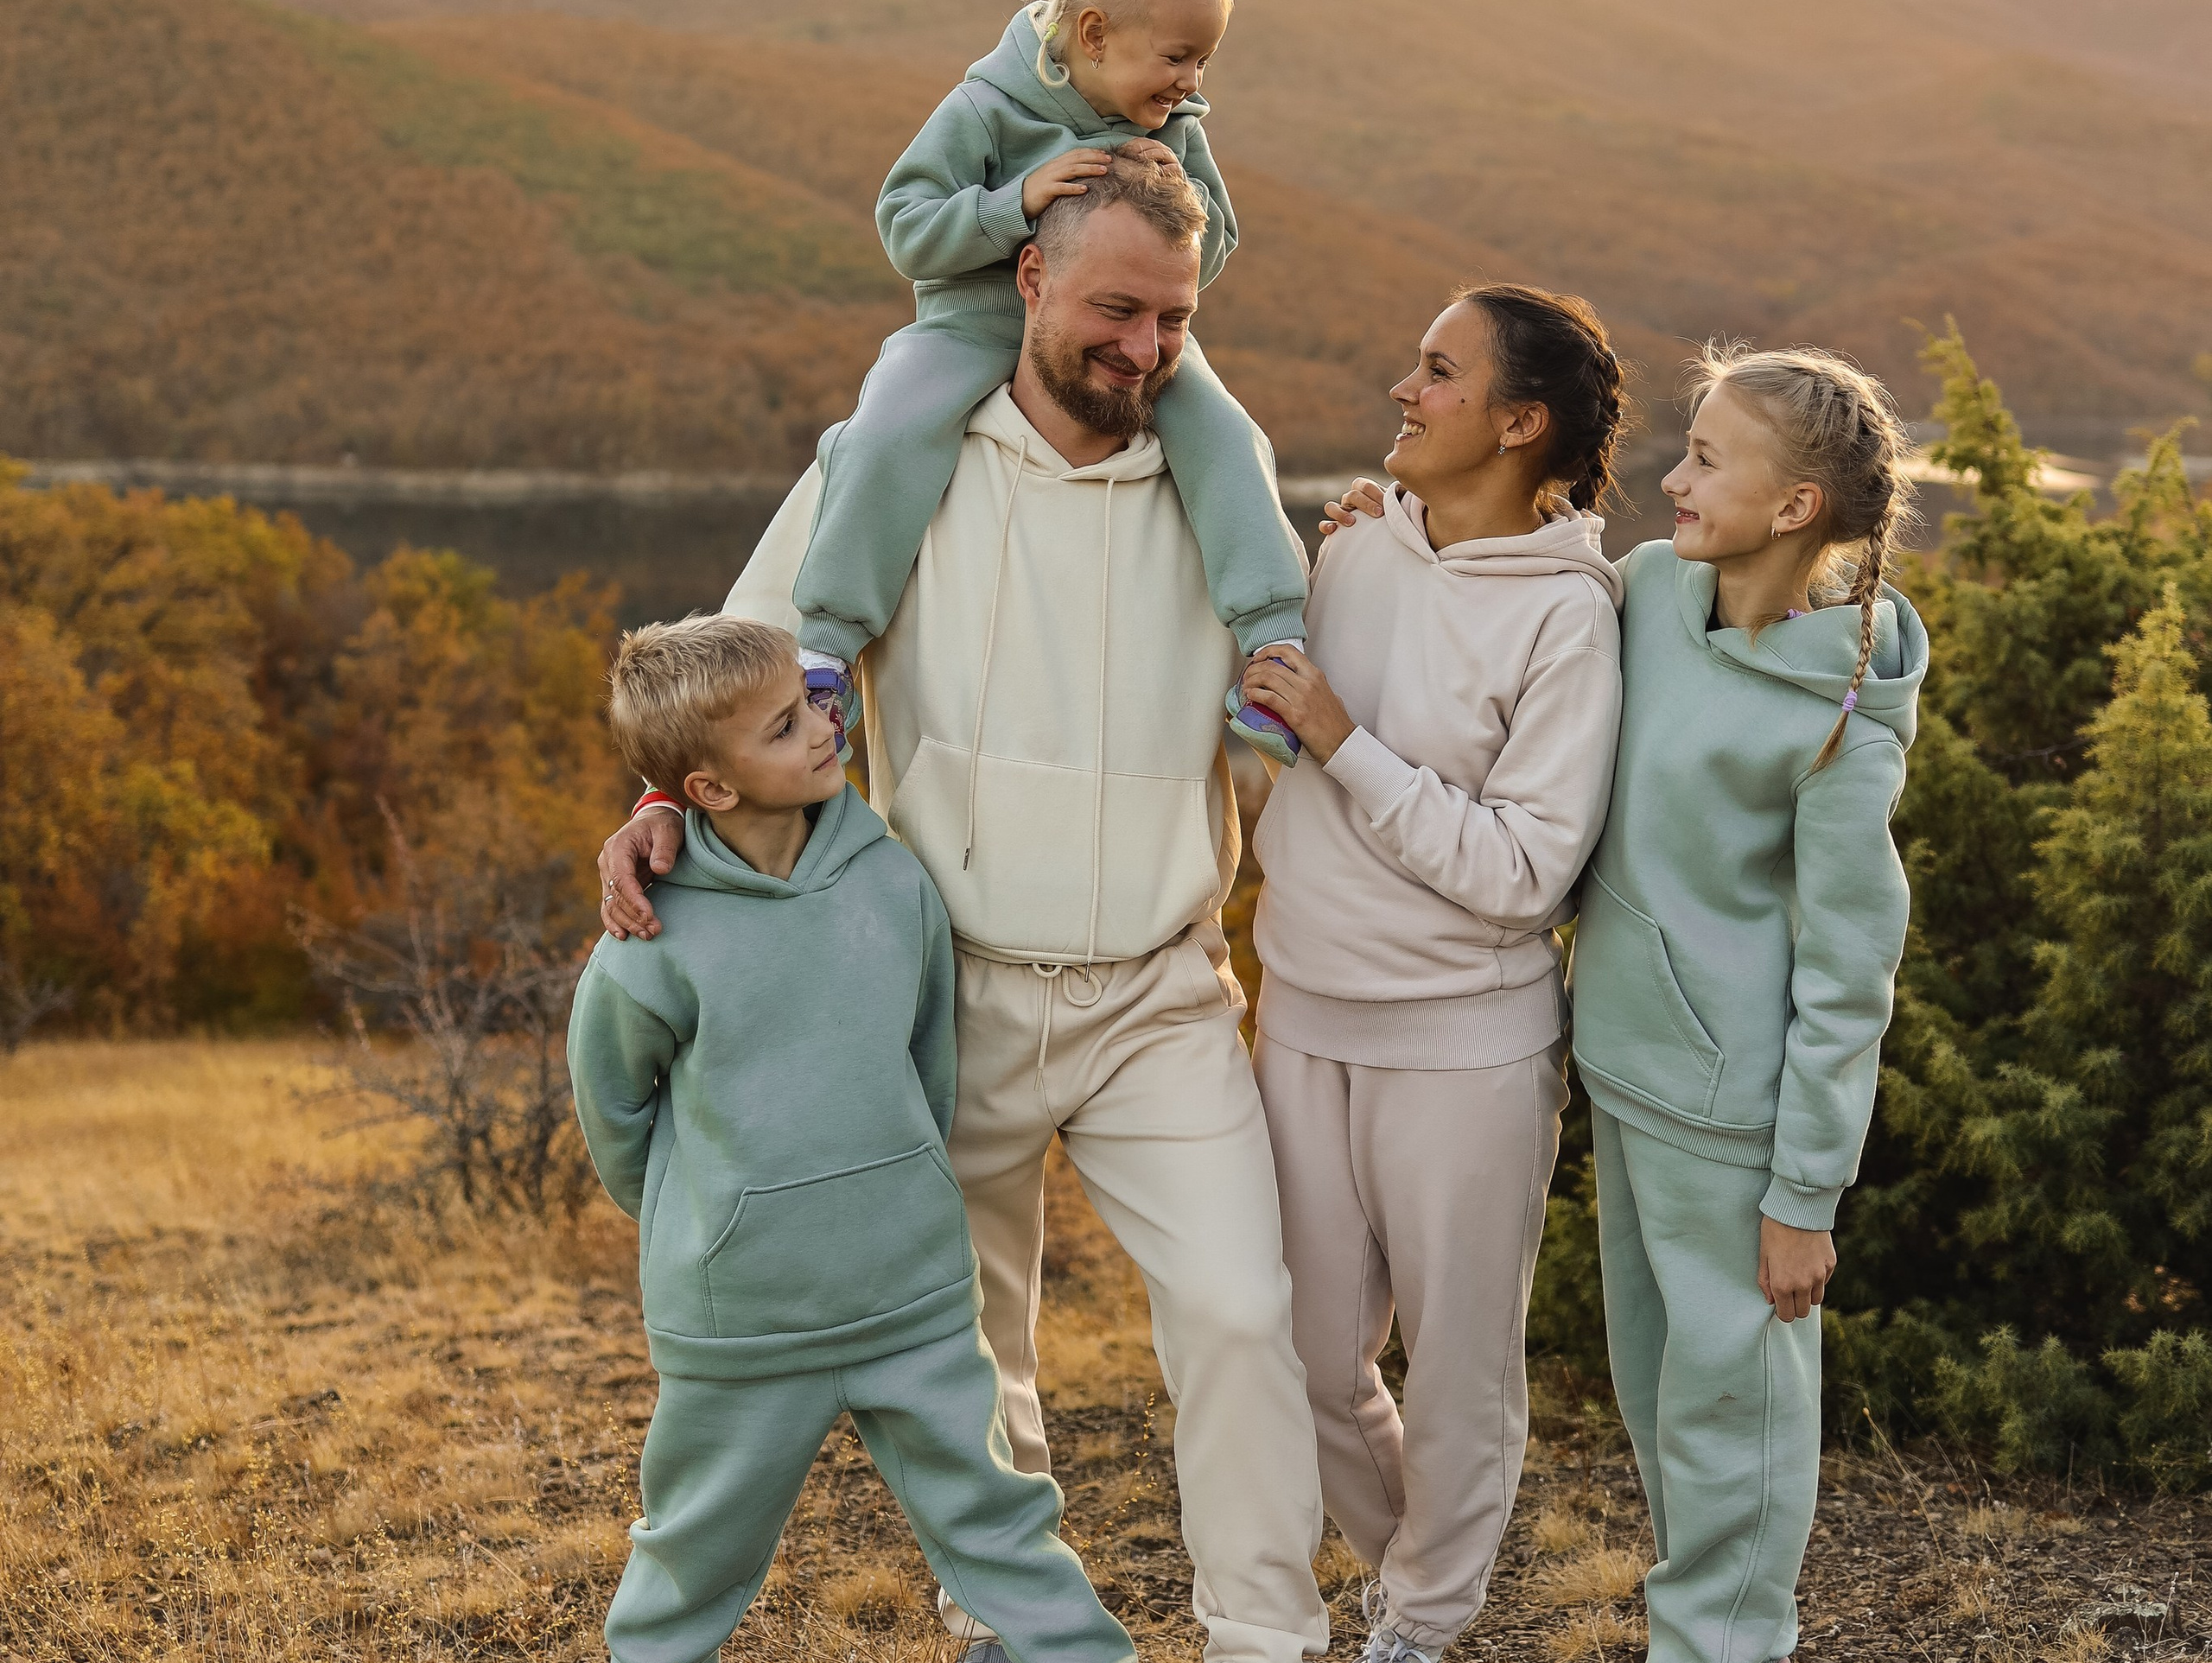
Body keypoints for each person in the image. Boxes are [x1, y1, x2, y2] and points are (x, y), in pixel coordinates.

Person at [597, 150, 1330, 1663]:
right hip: (948, 989)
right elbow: (732, 679)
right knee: (977, 1338)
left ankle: (1266, 1636)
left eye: (1175, 319)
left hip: (1160, 991)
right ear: (1030, 277)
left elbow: (1296, 695)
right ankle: (1002, 1623)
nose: (1145, 348)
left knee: (1240, 1314)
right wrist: (665, 805)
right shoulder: (894, 459)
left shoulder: (1218, 482)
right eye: (1116, 309)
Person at [569, 615, 1136, 1663]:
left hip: (910, 1292)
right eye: (785, 726)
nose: (826, 726)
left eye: (812, 702)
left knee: (1005, 1526)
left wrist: (900, 1186)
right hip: (742, 1320)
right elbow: (615, 1112)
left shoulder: (893, 882)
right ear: (710, 788)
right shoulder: (652, 938)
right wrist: (710, 1216)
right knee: (690, 1556)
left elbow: (926, 1062)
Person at [1244, 285, 1628, 1663]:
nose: (1404, 391)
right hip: (1300, 1014)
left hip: (1468, 1046)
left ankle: (1420, 1621)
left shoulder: (1569, 618)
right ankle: (1407, 1578)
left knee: (1460, 1375)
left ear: (1520, 425)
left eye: (1439, 371)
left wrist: (1345, 742)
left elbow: (1526, 872)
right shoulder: (1356, 547)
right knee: (1305, 1361)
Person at [1569, 344, 1928, 1663]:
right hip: (1625, 1074)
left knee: (1738, 1430)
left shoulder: (1842, 719)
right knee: (1663, 1408)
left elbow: (1848, 973)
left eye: (1708, 459)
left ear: (1794, 507)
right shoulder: (1647, 591)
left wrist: (1803, 1196)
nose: (1672, 477)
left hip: (1734, 1121)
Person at [788, 0, 1311, 765]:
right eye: (1177, 56)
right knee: (885, 432)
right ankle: (827, 653)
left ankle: (1274, 648)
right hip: (968, 327)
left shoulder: (1177, 129)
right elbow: (906, 227)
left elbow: (1212, 249)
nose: (1192, 82)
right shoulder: (986, 107)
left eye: (1205, 60)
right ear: (1095, 34)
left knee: (1229, 437)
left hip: (1124, 347)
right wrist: (1013, 203)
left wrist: (1176, 191)